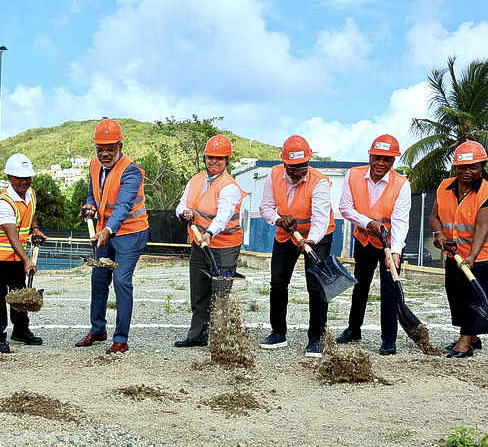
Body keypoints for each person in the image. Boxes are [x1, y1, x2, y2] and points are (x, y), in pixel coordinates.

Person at [75, 118, 149, 354]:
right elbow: (92, 194)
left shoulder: (131, 172)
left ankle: (120, 339)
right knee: (98, 279)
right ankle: (98, 330)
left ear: (120, 147)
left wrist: (107, 230)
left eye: (110, 149)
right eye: (100, 149)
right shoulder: (94, 166)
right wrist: (89, 207)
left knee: (121, 281)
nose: (104, 154)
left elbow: (123, 206)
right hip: (104, 232)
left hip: (130, 233)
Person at [258, 135, 335, 357]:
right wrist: (278, 219)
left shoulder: (319, 182)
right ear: (284, 164)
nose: (297, 172)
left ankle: (316, 339)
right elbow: (266, 207)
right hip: (286, 233)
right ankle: (278, 333)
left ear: (308, 163)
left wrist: (310, 240)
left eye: (302, 167)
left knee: (316, 287)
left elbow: (320, 219)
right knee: (278, 283)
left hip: (317, 237)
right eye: (292, 168)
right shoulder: (273, 175)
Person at [336, 134, 410, 355]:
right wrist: (368, 223)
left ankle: (389, 339)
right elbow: (345, 208)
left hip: (390, 242)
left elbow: (400, 221)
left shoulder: (401, 185)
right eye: (377, 157)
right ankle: (353, 329)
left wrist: (395, 253)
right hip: (364, 239)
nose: (380, 163)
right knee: (360, 285)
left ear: (393, 161)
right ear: (370, 155)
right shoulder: (353, 175)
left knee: (390, 289)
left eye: (386, 160)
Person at [174, 134, 246, 347]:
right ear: (205, 158)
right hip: (199, 243)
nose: (214, 162)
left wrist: (210, 232)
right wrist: (183, 213)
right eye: (210, 157)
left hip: (224, 246)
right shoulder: (195, 180)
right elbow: (182, 204)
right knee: (199, 291)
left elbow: (223, 215)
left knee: (220, 295)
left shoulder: (229, 186)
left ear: (226, 161)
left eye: (219, 158)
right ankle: (197, 335)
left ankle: (219, 339)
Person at [0, 153, 47, 353]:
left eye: (27, 177)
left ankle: (20, 330)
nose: (24, 181)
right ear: (10, 177)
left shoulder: (30, 193)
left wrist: (35, 228)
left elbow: (31, 210)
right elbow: (12, 236)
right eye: (19, 177)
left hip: (16, 254)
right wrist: (27, 260)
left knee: (19, 291)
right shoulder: (4, 203)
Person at [429, 140, 488, 358]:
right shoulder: (444, 187)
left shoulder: (485, 191)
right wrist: (438, 234)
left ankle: (465, 342)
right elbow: (434, 216)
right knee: (456, 296)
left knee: (474, 297)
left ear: (482, 166)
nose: (467, 171)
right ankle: (471, 335)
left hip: (481, 256)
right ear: (455, 167)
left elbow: (483, 226)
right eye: (462, 166)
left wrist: (472, 256)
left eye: (474, 166)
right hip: (454, 254)